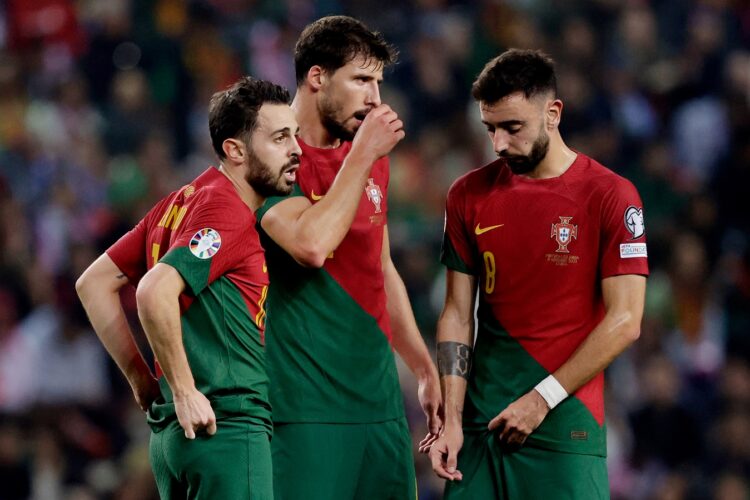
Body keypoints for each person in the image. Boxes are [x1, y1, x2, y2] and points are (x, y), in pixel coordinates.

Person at [427, 49, 648, 498]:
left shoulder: (610, 195)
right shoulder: (467, 195)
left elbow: (626, 321)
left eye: (513, 127)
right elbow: (455, 312)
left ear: (553, 113)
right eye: (490, 129)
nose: (499, 144)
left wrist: (541, 399)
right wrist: (451, 417)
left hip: (565, 427)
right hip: (479, 427)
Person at [75, 76, 302, 500]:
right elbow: (152, 290)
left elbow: (94, 283)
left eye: (295, 135)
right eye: (279, 137)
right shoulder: (226, 209)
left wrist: (145, 382)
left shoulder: (177, 202)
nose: (296, 150)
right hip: (226, 428)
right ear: (235, 150)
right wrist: (181, 390)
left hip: (175, 439)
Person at [255, 16, 441, 499]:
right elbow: (312, 247)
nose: (376, 98)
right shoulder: (270, 154)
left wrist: (422, 367)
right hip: (306, 409)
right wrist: (362, 155)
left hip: (380, 405)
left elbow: (379, 268)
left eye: (379, 82)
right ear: (317, 78)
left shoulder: (369, 153)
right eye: (361, 80)